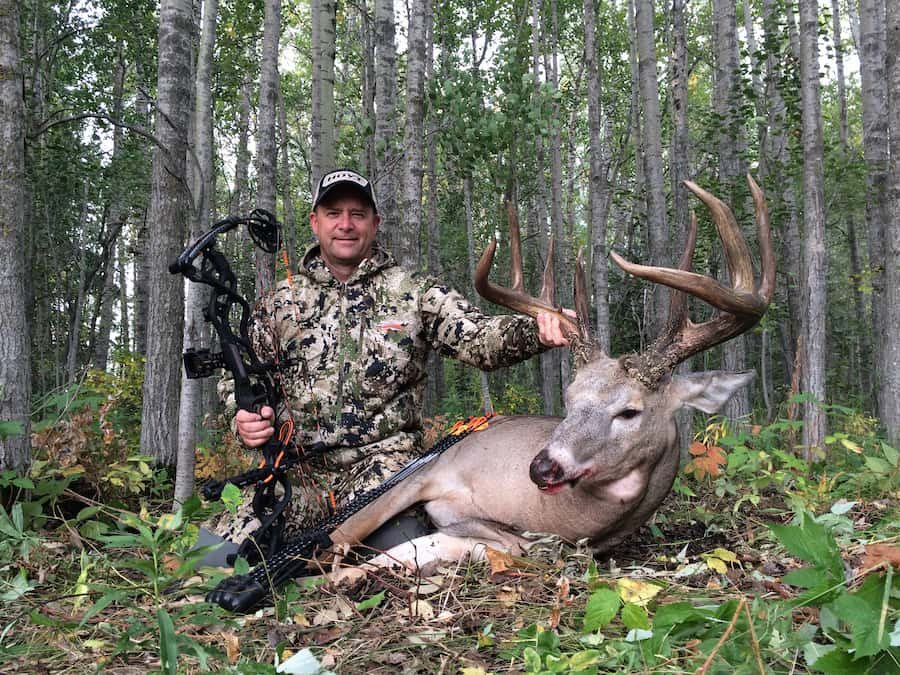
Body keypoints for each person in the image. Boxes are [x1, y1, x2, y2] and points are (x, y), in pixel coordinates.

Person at [210, 168, 570, 547]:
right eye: (334, 213)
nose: (345, 225)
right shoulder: (279, 302)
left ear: (375, 223)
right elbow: (239, 378)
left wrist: (539, 328)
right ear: (315, 222)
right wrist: (244, 419)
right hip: (296, 477)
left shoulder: (414, 293)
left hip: (384, 474)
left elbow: (479, 340)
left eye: (358, 214)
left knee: (398, 555)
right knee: (213, 561)